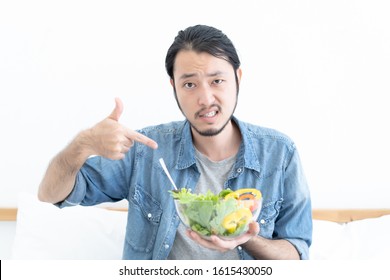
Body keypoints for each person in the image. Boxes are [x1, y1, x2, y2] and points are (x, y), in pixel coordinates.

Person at [38, 24, 312, 260]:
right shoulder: (146, 151)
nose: (205, 99)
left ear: (237, 78)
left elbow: (296, 252)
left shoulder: (280, 153)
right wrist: (82, 144)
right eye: (190, 85)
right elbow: (50, 194)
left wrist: (244, 238)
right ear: (174, 87)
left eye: (217, 80)